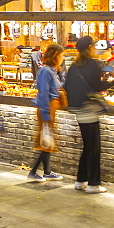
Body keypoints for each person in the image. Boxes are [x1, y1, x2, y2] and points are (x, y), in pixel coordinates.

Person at [65, 36, 114, 194]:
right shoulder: (93, 64)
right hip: (90, 110)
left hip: (78, 110)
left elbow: (67, 86)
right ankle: (93, 184)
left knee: (87, 147)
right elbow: (97, 86)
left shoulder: (74, 66)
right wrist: (113, 80)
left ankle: (80, 181)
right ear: (90, 47)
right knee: (94, 147)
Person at [30, 43, 66, 182]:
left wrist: (62, 74)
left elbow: (58, 86)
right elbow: (44, 93)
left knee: (47, 140)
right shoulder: (45, 71)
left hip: (51, 107)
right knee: (45, 140)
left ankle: (47, 171)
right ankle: (34, 171)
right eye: (61, 55)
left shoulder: (52, 71)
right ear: (55, 56)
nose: (63, 58)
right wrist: (46, 114)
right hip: (47, 107)